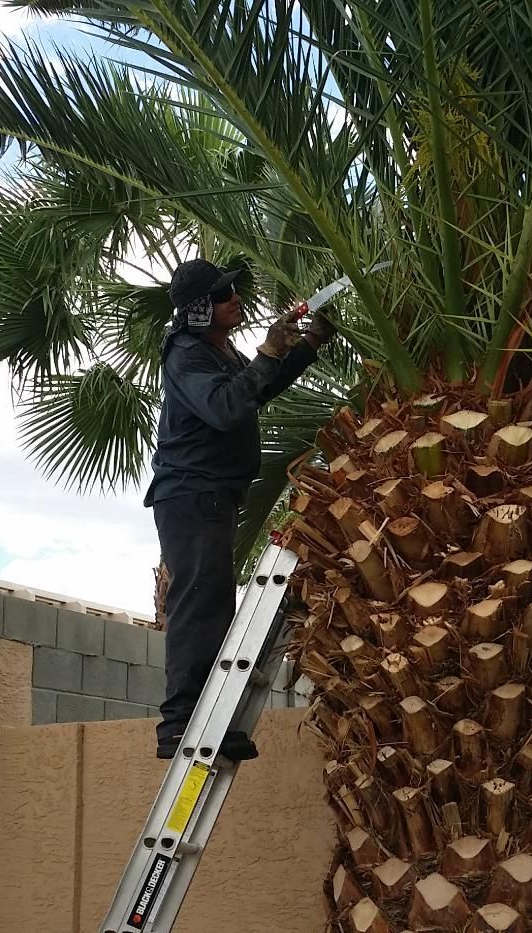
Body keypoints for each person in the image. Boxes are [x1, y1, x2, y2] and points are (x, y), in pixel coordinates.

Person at [144, 258, 334, 760]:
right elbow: (228, 409)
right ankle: (180, 724)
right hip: (191, 495)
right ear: (202, 308)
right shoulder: (186, 355)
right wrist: (269, 350)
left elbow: (257, 389)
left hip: (211, 495)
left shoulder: (216, 352)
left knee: (213, 604)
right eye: (225, 293)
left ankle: (207, 722)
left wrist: (306, 346)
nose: (236, 298)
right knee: (199, 604)